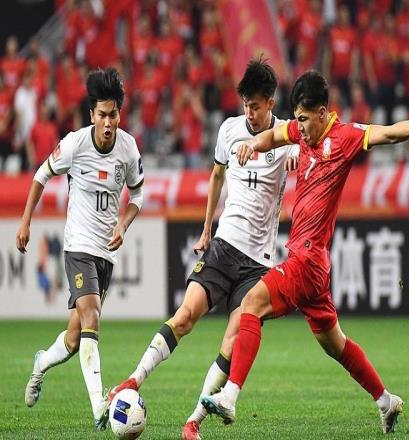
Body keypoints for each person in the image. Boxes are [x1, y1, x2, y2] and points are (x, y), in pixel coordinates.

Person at [201, 71, 409, 434]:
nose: (299, 128)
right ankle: (386, 400)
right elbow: (274, 135)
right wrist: (252, 144)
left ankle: (229, 396)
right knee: (336, 344)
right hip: (313, 263)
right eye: (297, 119)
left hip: (306, 259)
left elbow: (388, 133)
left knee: (251, 303)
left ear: (323, 113)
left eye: (304, 119)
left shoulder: (344, 137)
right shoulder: (301, 133)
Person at [107, 58, 297, 440]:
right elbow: (216, 176)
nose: (250, 113)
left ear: (271, 102)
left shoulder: (286, 136)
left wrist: (296, 154)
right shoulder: (228, 130)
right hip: (224, 246)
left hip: (258, 263)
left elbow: (304, 153)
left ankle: (193, 422)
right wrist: (207, 229)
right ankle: (133, 380)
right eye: (245, 105)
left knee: (232, 340)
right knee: (185, 317)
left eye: (256, 106)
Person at [16, 67, 144, 430]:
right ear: (92, 115)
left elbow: (138, 195)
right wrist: (26, 222)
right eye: (102, 115)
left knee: (75, 338)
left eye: (113, 114)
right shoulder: (75, 144)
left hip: (107, 253)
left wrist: (123, 223)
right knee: (92, 317)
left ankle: (41, 363)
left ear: (119, 113)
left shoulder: (128, 148)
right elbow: (41, 174)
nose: (108, 122)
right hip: (78, 246)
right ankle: (100, 406)